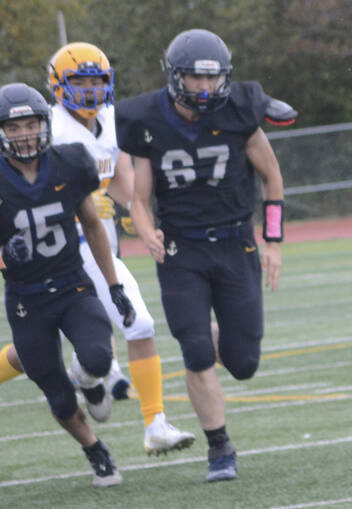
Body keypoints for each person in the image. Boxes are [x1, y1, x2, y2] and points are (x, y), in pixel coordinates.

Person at [0, 43, 195, 458]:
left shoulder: (112, 119)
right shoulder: (43, 127)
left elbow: (120, 180)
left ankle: (154, 422)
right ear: (57, 85)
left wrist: (137, 214)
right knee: (39, 351)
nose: (89, 91)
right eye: (79, 82)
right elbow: (25, 191)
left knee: (139, 323)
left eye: (96, 81)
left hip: (101, 247)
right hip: (59, 251)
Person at [116, 28, 285, 482]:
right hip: (181, 248)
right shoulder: (149, 119)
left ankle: (210, 331)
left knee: (244, 362)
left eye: (213, 79)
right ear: (176, 78)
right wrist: (147, 231)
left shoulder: (238, 112)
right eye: (196, 79)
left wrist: (272, 242)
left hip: (235, 243)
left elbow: (272, 178)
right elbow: (139, 197)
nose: (206, 88)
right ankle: (219, 447)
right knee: (194, 351)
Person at [0, 84, 133, 486]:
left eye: (30, 124)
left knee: (99, 357)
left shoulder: (71, 162)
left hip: (73, 283)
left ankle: (88, 381)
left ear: (44, 124)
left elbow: (92, 224)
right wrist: (4, 258)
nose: (23, 133)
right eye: (14, 126)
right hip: (26, 298)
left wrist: (113, 285)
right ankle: (94, 449)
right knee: (56, 393)